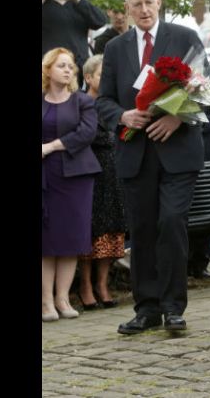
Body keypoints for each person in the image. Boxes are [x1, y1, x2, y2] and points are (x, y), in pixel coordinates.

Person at [97, 0, 208, 335]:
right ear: (126, 9)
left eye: (149, 3)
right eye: (136, 5)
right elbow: (103, 100)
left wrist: (178, 117)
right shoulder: (115, 48)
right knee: (142, 231)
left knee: (172, 222)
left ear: (159, 3)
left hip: (178, 151)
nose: (144, 10)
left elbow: (208, 87)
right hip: (135, 152)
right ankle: (146, 309)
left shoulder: (185, 37)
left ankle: (174, 307)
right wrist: (122, 116)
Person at [42, 48, 102, 322]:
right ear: (48, 70)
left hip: (76, 177)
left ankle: (63, 299)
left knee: (70, 238)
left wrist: (51, 146)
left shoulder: (82, 102)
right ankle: (46, 303)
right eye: (61, 65)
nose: (68, 70)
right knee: (46, 240)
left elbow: (87, 132)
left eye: (71, 67)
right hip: (46, 177)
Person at [78, 55, 127, 310]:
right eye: (101, 75)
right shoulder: (79, 102)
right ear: (88, 78)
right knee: (90, 229)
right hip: (89, 169)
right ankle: (85, 286)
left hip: (113, 168)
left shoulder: (113, 103)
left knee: (111, 228)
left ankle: (102, 284)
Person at [42, 0, 108, 87]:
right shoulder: (45, 4)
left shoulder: (80, 4)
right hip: (48, 72)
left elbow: (100, 21)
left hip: (77, 72)